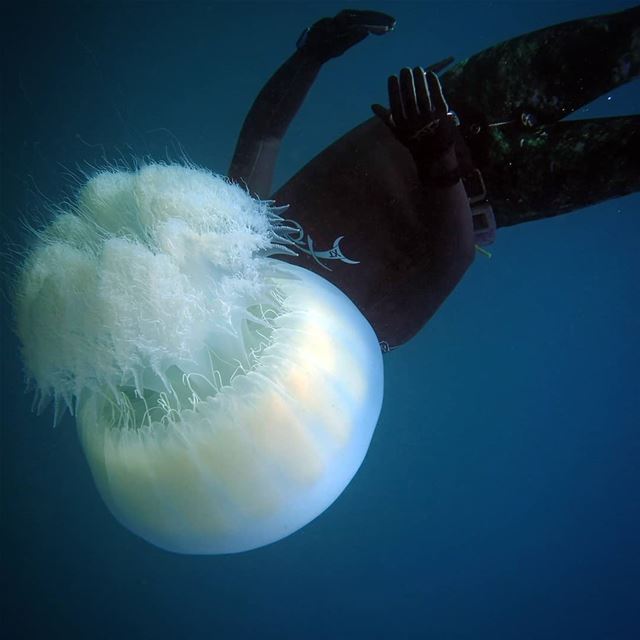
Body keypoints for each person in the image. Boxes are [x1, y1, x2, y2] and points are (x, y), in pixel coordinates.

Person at [229, 7, 640, 351]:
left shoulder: (241, 246)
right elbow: (453, 257)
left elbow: (263, 135)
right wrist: (436, 156)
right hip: (505, 180)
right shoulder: (358, 339)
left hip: (461, 99)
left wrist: (311, 54)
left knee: (623, 40)